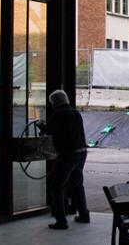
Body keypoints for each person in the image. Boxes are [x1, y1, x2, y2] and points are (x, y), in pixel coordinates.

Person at [37, 89, 90, 230]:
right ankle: (84, 214)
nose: (52, 105)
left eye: (52, 103)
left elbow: (48, 130)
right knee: (77, 184)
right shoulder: (75, 113)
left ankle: (61, 220)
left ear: (55, 102)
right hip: (82, 153)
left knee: (57, 186)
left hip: (68, 155)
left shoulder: (59, 114)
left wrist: (40, 125)